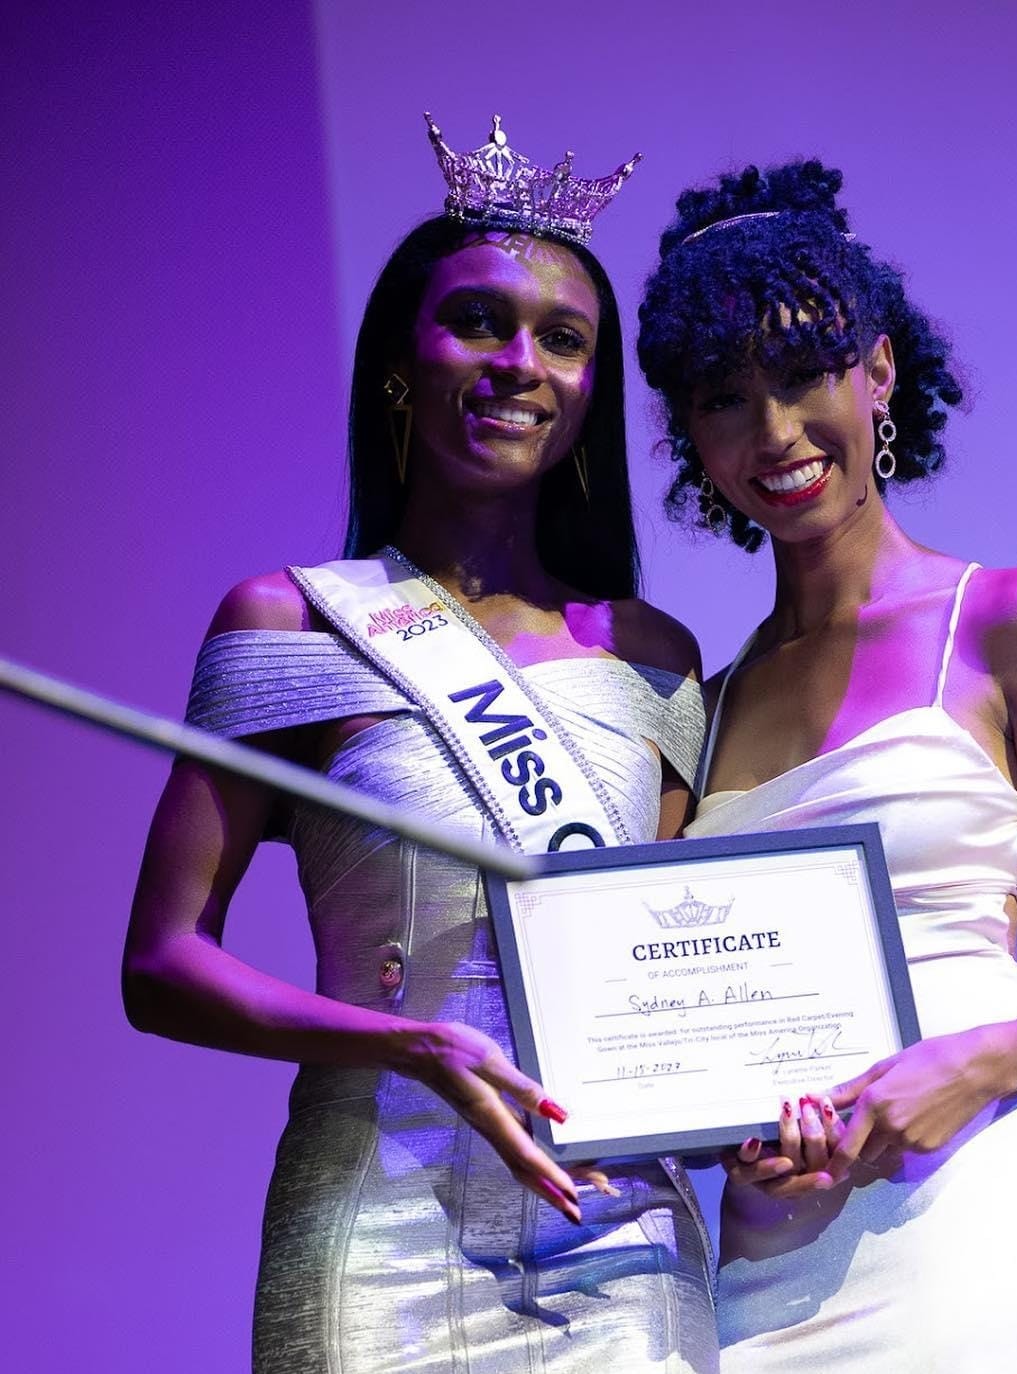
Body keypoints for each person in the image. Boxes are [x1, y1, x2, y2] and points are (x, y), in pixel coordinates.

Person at [122, 116, 718, 1373]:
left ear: (593, 391)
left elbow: (662, 964)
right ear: (402, 358)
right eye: (479, 323)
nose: (520, 363)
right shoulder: (289, 618)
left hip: (613, 1222)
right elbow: (163, 962)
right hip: (379, 1216)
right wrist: (409, 1041)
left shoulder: (657, 652)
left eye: (563, 339)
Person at [636, 160, 1017, 1372]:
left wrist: (971, 1067)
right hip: (768, 1265)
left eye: (801, 376)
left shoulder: (1011, 623)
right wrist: (727, 1122)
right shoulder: (703, 705)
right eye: (726, 398)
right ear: (692, 432)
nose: (774, 431)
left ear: (877, 369)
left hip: (980, 1211)